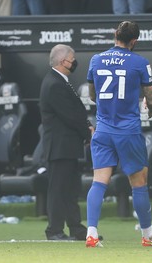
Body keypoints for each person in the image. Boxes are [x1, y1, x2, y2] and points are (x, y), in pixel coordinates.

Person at [85, 20, 152, 248]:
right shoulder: (140, 62)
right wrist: (150, 110)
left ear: (115, 35)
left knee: (99, 182)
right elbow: (151, 98)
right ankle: (147, 235)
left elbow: (92, 94)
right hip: (128, 130)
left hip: (103, 129)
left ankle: (91, 234)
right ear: (134, 41)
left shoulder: (96, 59)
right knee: (139, 182)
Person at [39, 44, 94, 241]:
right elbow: (70, 115)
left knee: (70, 189)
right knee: (58, 189)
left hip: (67, 147)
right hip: (60, 147)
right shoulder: (54, 84)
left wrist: (87, 125)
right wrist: (88, 132)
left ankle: (76, 228)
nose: (74, 62)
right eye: (72, 59)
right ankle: (54, 230)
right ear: (64, 62)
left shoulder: (59, 81)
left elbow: (75, 112)